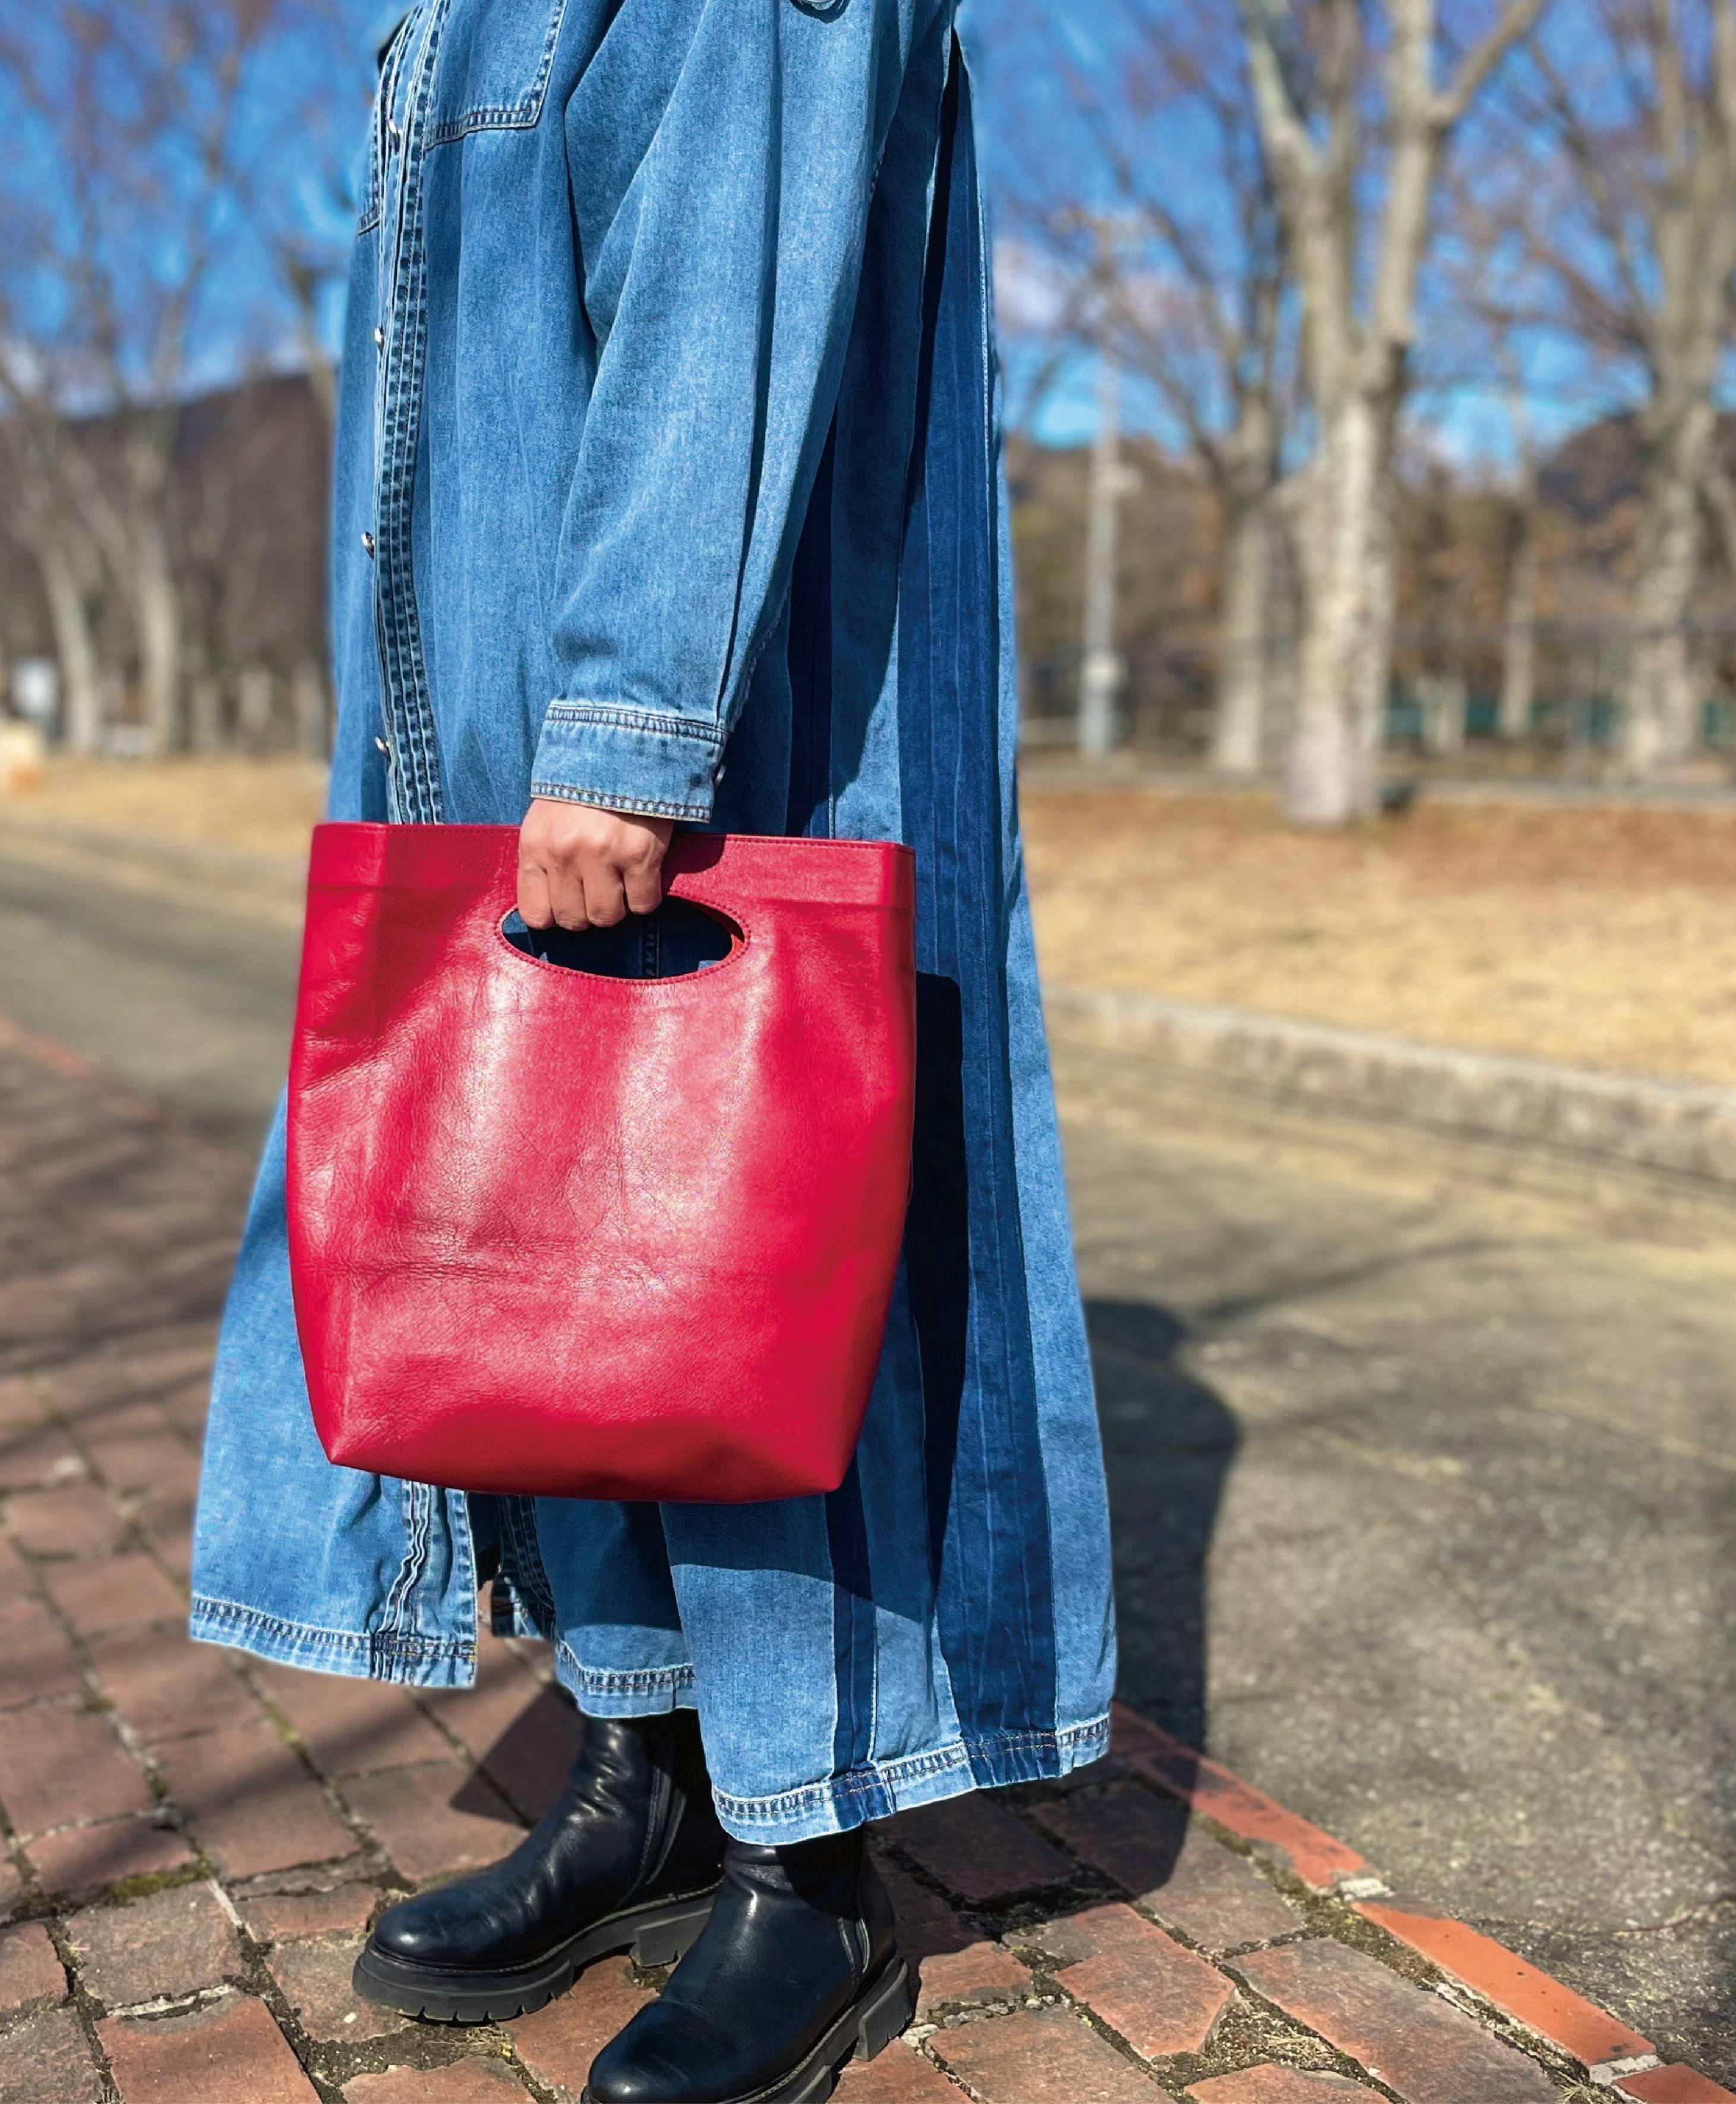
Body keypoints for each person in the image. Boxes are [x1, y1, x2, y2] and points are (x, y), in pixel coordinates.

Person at [189, 0, 1118, 2096]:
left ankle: (816, 1865)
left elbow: (731, 275)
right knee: (568, 1278)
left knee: (747, 1259)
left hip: (709, 723)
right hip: (498, 726)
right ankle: (655, 1779)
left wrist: (625, 729)